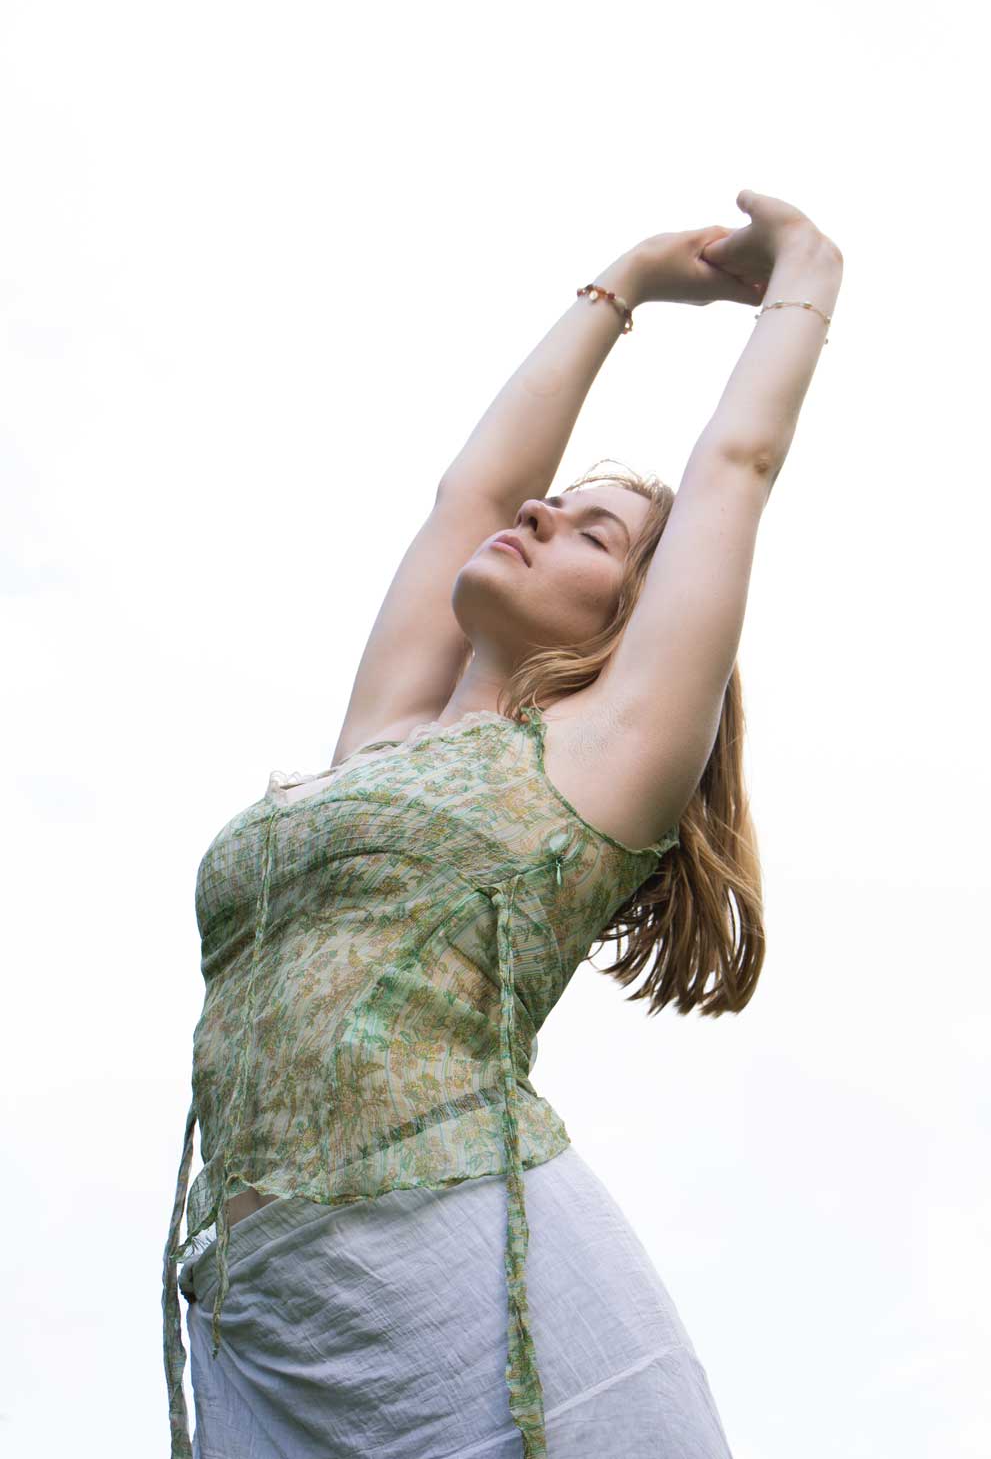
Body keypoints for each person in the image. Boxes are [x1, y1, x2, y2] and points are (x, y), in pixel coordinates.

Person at [162, 188, 844, 1458]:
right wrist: (624, 281)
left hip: (462, 1259)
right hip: (259, 1303)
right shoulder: (380, 742)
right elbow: (469, 491)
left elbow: (735, 471)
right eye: (548, 508)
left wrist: (806, 271)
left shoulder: (606, 760)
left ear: (631, 630)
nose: (531, 517)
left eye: (590, 533)